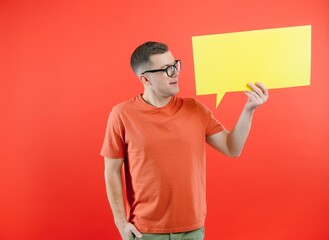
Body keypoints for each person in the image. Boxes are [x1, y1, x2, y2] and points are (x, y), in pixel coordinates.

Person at [101, 41, 269, 240]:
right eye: (166, 69)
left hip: (193, 230)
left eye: (175, 65)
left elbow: (232, 148)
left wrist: (249, 109)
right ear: (145, 79)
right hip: (144, 232)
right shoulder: (121, 114)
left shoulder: (195, 109)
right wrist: (121, 223)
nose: (175, 73)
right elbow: (111, 170)